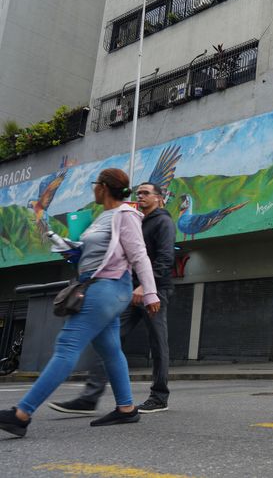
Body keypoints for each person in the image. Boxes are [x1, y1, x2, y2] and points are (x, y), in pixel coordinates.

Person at [0, 168, 160, 437]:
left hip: (107, 288)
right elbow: (91, 252)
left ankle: (21, 414)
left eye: (95, 184)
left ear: (104, 187)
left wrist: (151, 292)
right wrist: (66, 244)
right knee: (110, 349)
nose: (93, 188)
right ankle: (126, 408)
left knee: (66, 346)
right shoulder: (103, 217)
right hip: (97, 286)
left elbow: (139, 256)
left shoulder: (126, 215)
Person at [48, 182, 176, 415]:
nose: (141, 196)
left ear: (159, 199)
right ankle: (90, 397)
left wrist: (147, 288)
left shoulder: (163, 222)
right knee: (109, 342)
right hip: (127, 291)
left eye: (146, 193)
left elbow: (166, 259)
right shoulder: (134, 219)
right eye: (139, 193)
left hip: (154, 292)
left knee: (157, 342)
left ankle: (159, 396)